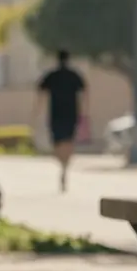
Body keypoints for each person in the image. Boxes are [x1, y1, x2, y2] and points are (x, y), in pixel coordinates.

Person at [37, 50, 88, 192]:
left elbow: (41, 92)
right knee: (68, 141)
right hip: (71, 113)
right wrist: (84, 113)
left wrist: (37, 112)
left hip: (56, 114)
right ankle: (65, 166)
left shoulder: (52, 76)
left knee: (58, 143)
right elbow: (83, 93)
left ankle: (63, 166)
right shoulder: (74, 76)